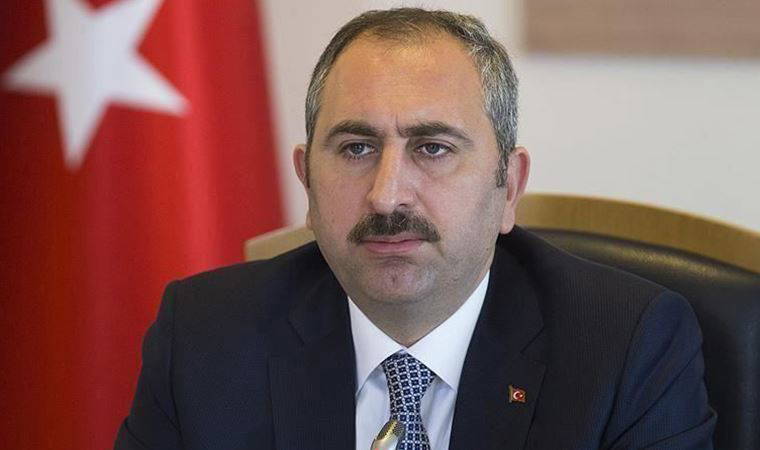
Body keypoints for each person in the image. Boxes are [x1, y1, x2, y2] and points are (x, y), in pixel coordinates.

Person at [115, 8, 715, 450]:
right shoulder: (204, 338)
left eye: (432, 148)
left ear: (508, 187)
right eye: (356, 148)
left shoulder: (627, 346)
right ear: (307, 181)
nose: (387, 194)